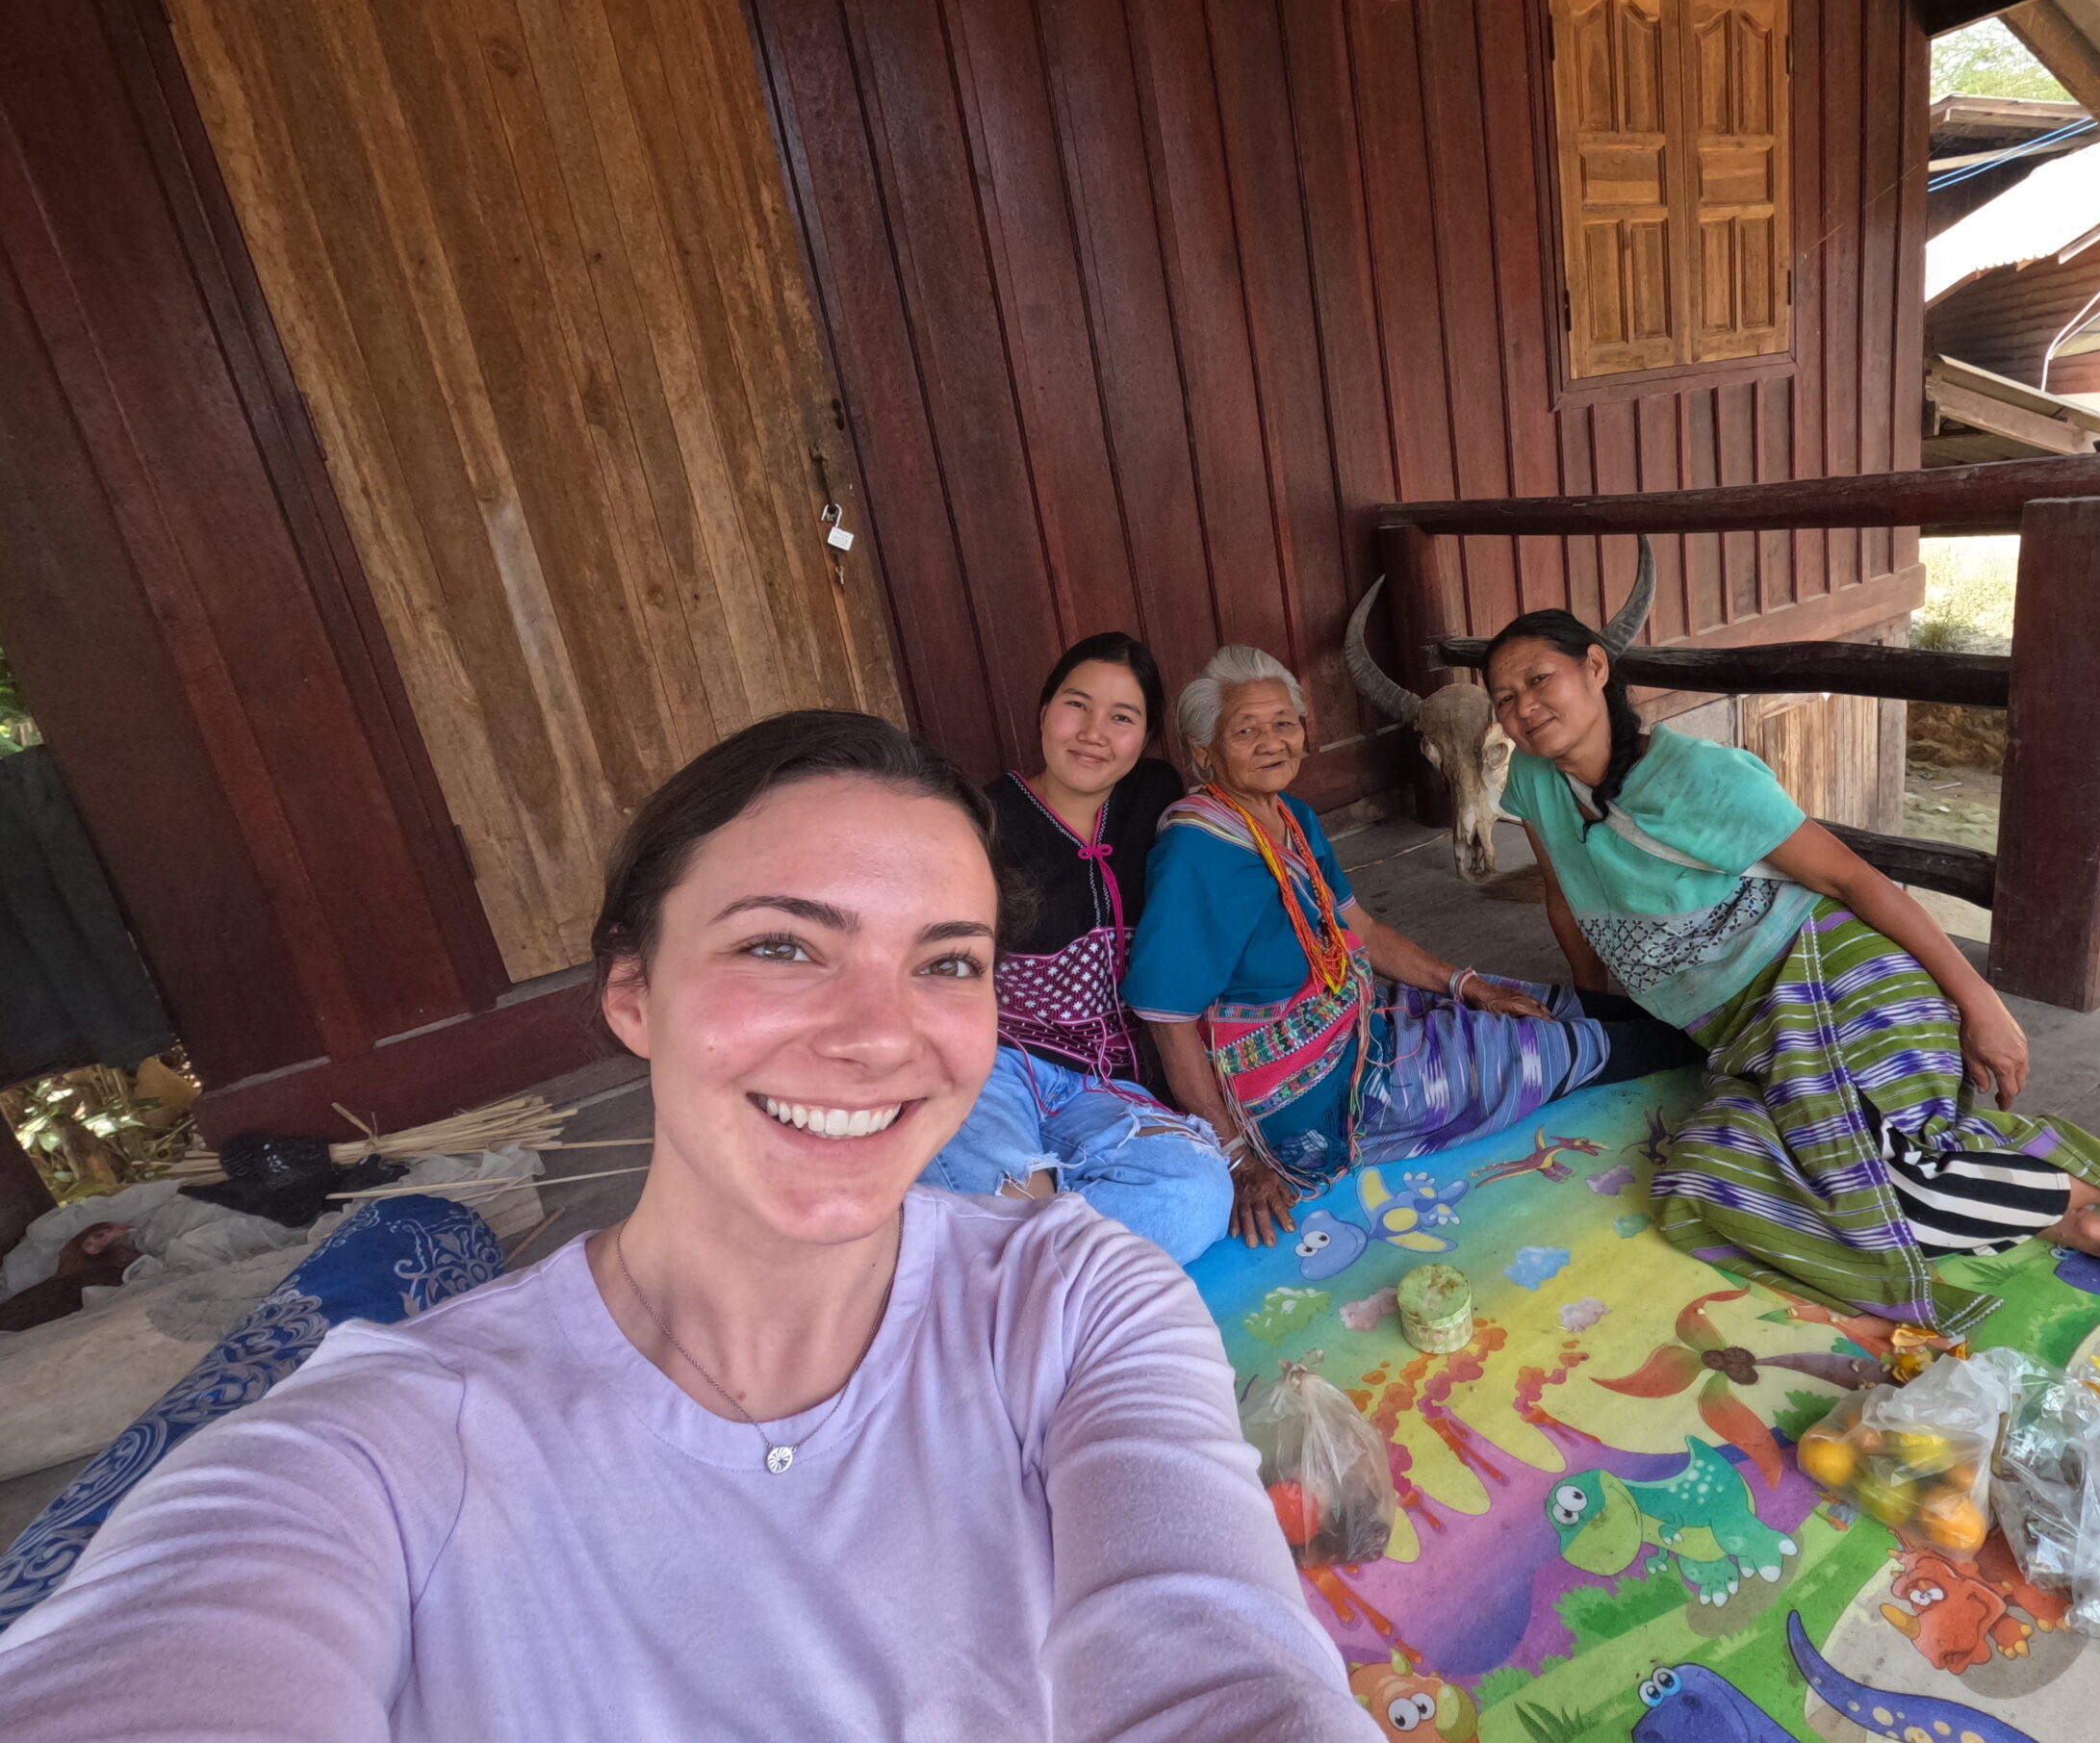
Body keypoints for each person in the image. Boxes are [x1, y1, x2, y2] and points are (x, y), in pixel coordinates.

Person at [0, 712, 1373, 1742]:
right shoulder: (394, 1438)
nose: (880, 1034)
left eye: (944, 961)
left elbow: (1222, 1659)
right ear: (633, 997)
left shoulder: (1078, 1300)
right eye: (783, 945)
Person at [1482, 609, 2100, 1341]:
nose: (1524, 707)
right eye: (1504, 697)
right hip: (1748, 1037)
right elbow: (1567, 898)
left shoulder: (1700, 778)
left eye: (1539, 678)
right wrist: (1597, 1009)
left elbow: (1853, 880)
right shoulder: (1532, 781)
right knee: (1705, 1181)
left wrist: (1978, 1000)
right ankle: (2053, 1205)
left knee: (1887, 1183)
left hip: (1833, 978)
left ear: (1596, 668)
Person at [1124, 646, 1691, 1248]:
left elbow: (1360, 931)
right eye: (1246, 730)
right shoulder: (1196, 853)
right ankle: (1705, 1042)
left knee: (1527, 1002)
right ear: (1202, 752)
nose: (1273, 741)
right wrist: (1238, 1161)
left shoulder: (1289, 815)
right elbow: (1167, 1019)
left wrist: (1470, 986)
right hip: (1311, 1096)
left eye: (1284, 723)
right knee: (1544, 1050)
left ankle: (1693, 1022)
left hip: (1358, 1020)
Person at [929, 633, 1232, 1264]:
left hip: (1103, 1086)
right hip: (996, 1069)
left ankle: (1010, 1249)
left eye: (1122, 717)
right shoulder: (982, 824)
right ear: (1043, 712)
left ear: (1146, 738)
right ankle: (1030, 1233)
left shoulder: (1154, 797)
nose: (1094, 732)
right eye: (1076, 705)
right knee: (1010, 1194)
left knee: (1196, 1196)